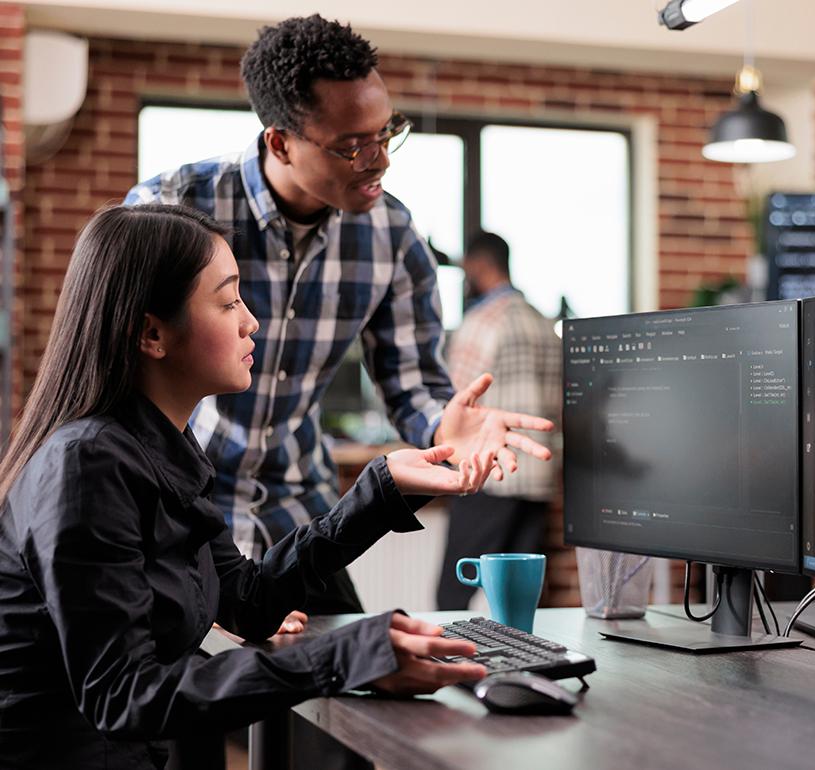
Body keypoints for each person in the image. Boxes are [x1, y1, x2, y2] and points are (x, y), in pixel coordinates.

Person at [0, 204, 493, 770]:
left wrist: (383, 489)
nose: (250, 322)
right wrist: (342, 656)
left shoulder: (162, 449)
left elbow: (249, 601)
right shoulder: (86, 465)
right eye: (229, 300)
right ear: (152, 333)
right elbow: (124, 694)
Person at [124, 15, 553, 615]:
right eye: (353, 145)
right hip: (176, 507)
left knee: (356, 681)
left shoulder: (393, 235)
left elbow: (414, 386)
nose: (379, 161)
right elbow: (120, 386)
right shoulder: (173, 209)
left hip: (297, 509)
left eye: (387, 133)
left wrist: (442, 430)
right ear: (280, 142)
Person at [437, 232, 562, 610]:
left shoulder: (482, 321)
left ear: (479, 264)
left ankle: (449, 668)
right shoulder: (541, 322)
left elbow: (455, 399)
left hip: (490, 476)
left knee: (452, 594)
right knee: (520, 599)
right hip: (538, 477)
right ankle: (522, 665)